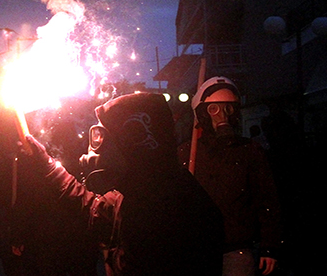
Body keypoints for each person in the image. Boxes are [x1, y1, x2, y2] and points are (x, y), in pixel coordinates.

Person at [20, 92, 225, 276]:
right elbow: (94, 211)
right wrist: (46, 165)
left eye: (106, 138)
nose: (93, 152)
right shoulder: (136, 193)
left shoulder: (177, 208)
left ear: (136, 143)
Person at [178, 76, 282, 276]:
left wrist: (270, 246)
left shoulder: (250, 150)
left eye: (228, 108)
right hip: (197, 248)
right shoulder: (186, 153)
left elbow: (267, 199)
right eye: (214, 108)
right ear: (202, 113)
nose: (222, 115)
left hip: (237, 249)